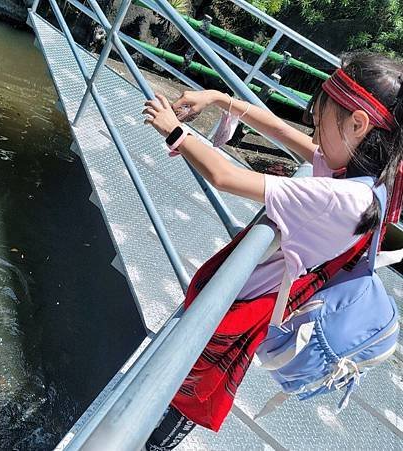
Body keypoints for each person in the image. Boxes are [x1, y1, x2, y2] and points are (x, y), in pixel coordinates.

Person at [141, 51, 403, 449]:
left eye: (322, 117)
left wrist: (175, 131)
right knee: (189, 378)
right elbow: (286, 134)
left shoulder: (340, 197)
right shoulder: (368, 184)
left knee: (189, 387)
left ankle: (153, 441)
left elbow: (225, 175)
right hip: (256, 300)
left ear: (358, 123)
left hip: (241, 304)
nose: (314, 128)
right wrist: (219, 99)